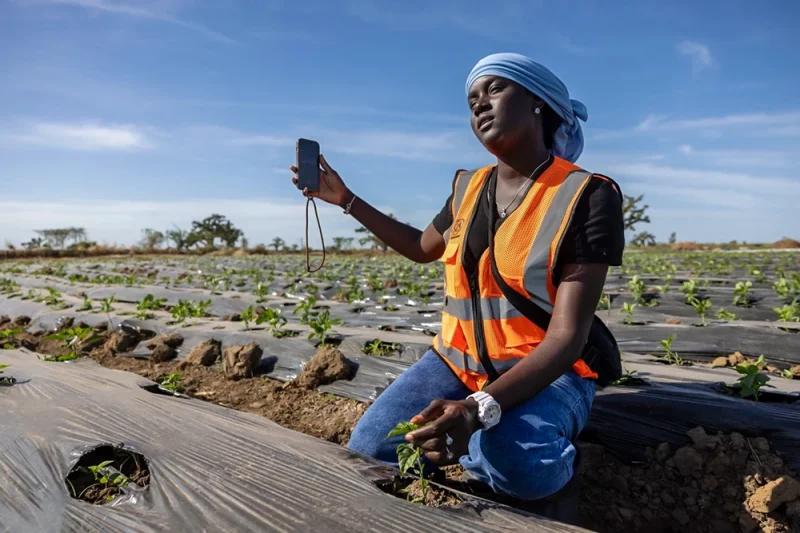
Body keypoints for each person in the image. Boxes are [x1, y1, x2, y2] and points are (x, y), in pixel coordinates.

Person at [289, 53, 624, 502]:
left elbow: (566, 338)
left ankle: (553, 463)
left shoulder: (587, 195)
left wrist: (477, 409)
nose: (480, 104)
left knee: (515, 461)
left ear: (538, 103)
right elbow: (419, 247)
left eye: (496, 89)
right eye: (472, 100)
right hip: (457, 362)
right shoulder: (469, 187)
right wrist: (346, 199)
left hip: (545, 372)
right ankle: (477, 448)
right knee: (373, 446)